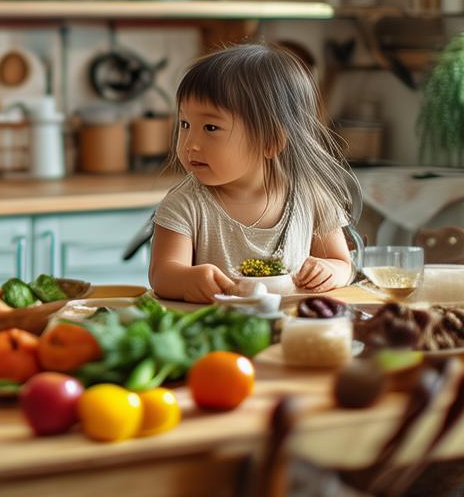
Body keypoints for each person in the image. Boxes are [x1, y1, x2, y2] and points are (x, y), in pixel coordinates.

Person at [149, 44, 357, 303]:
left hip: (292, 322)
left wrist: (330, 271)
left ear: (271, 141)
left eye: (211, 127)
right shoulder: (185, 203)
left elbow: (342, 263)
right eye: (185, 124)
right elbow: (162, 275)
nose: (190, 143)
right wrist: (187, 280)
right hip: (220, 324)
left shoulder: (312, 197)